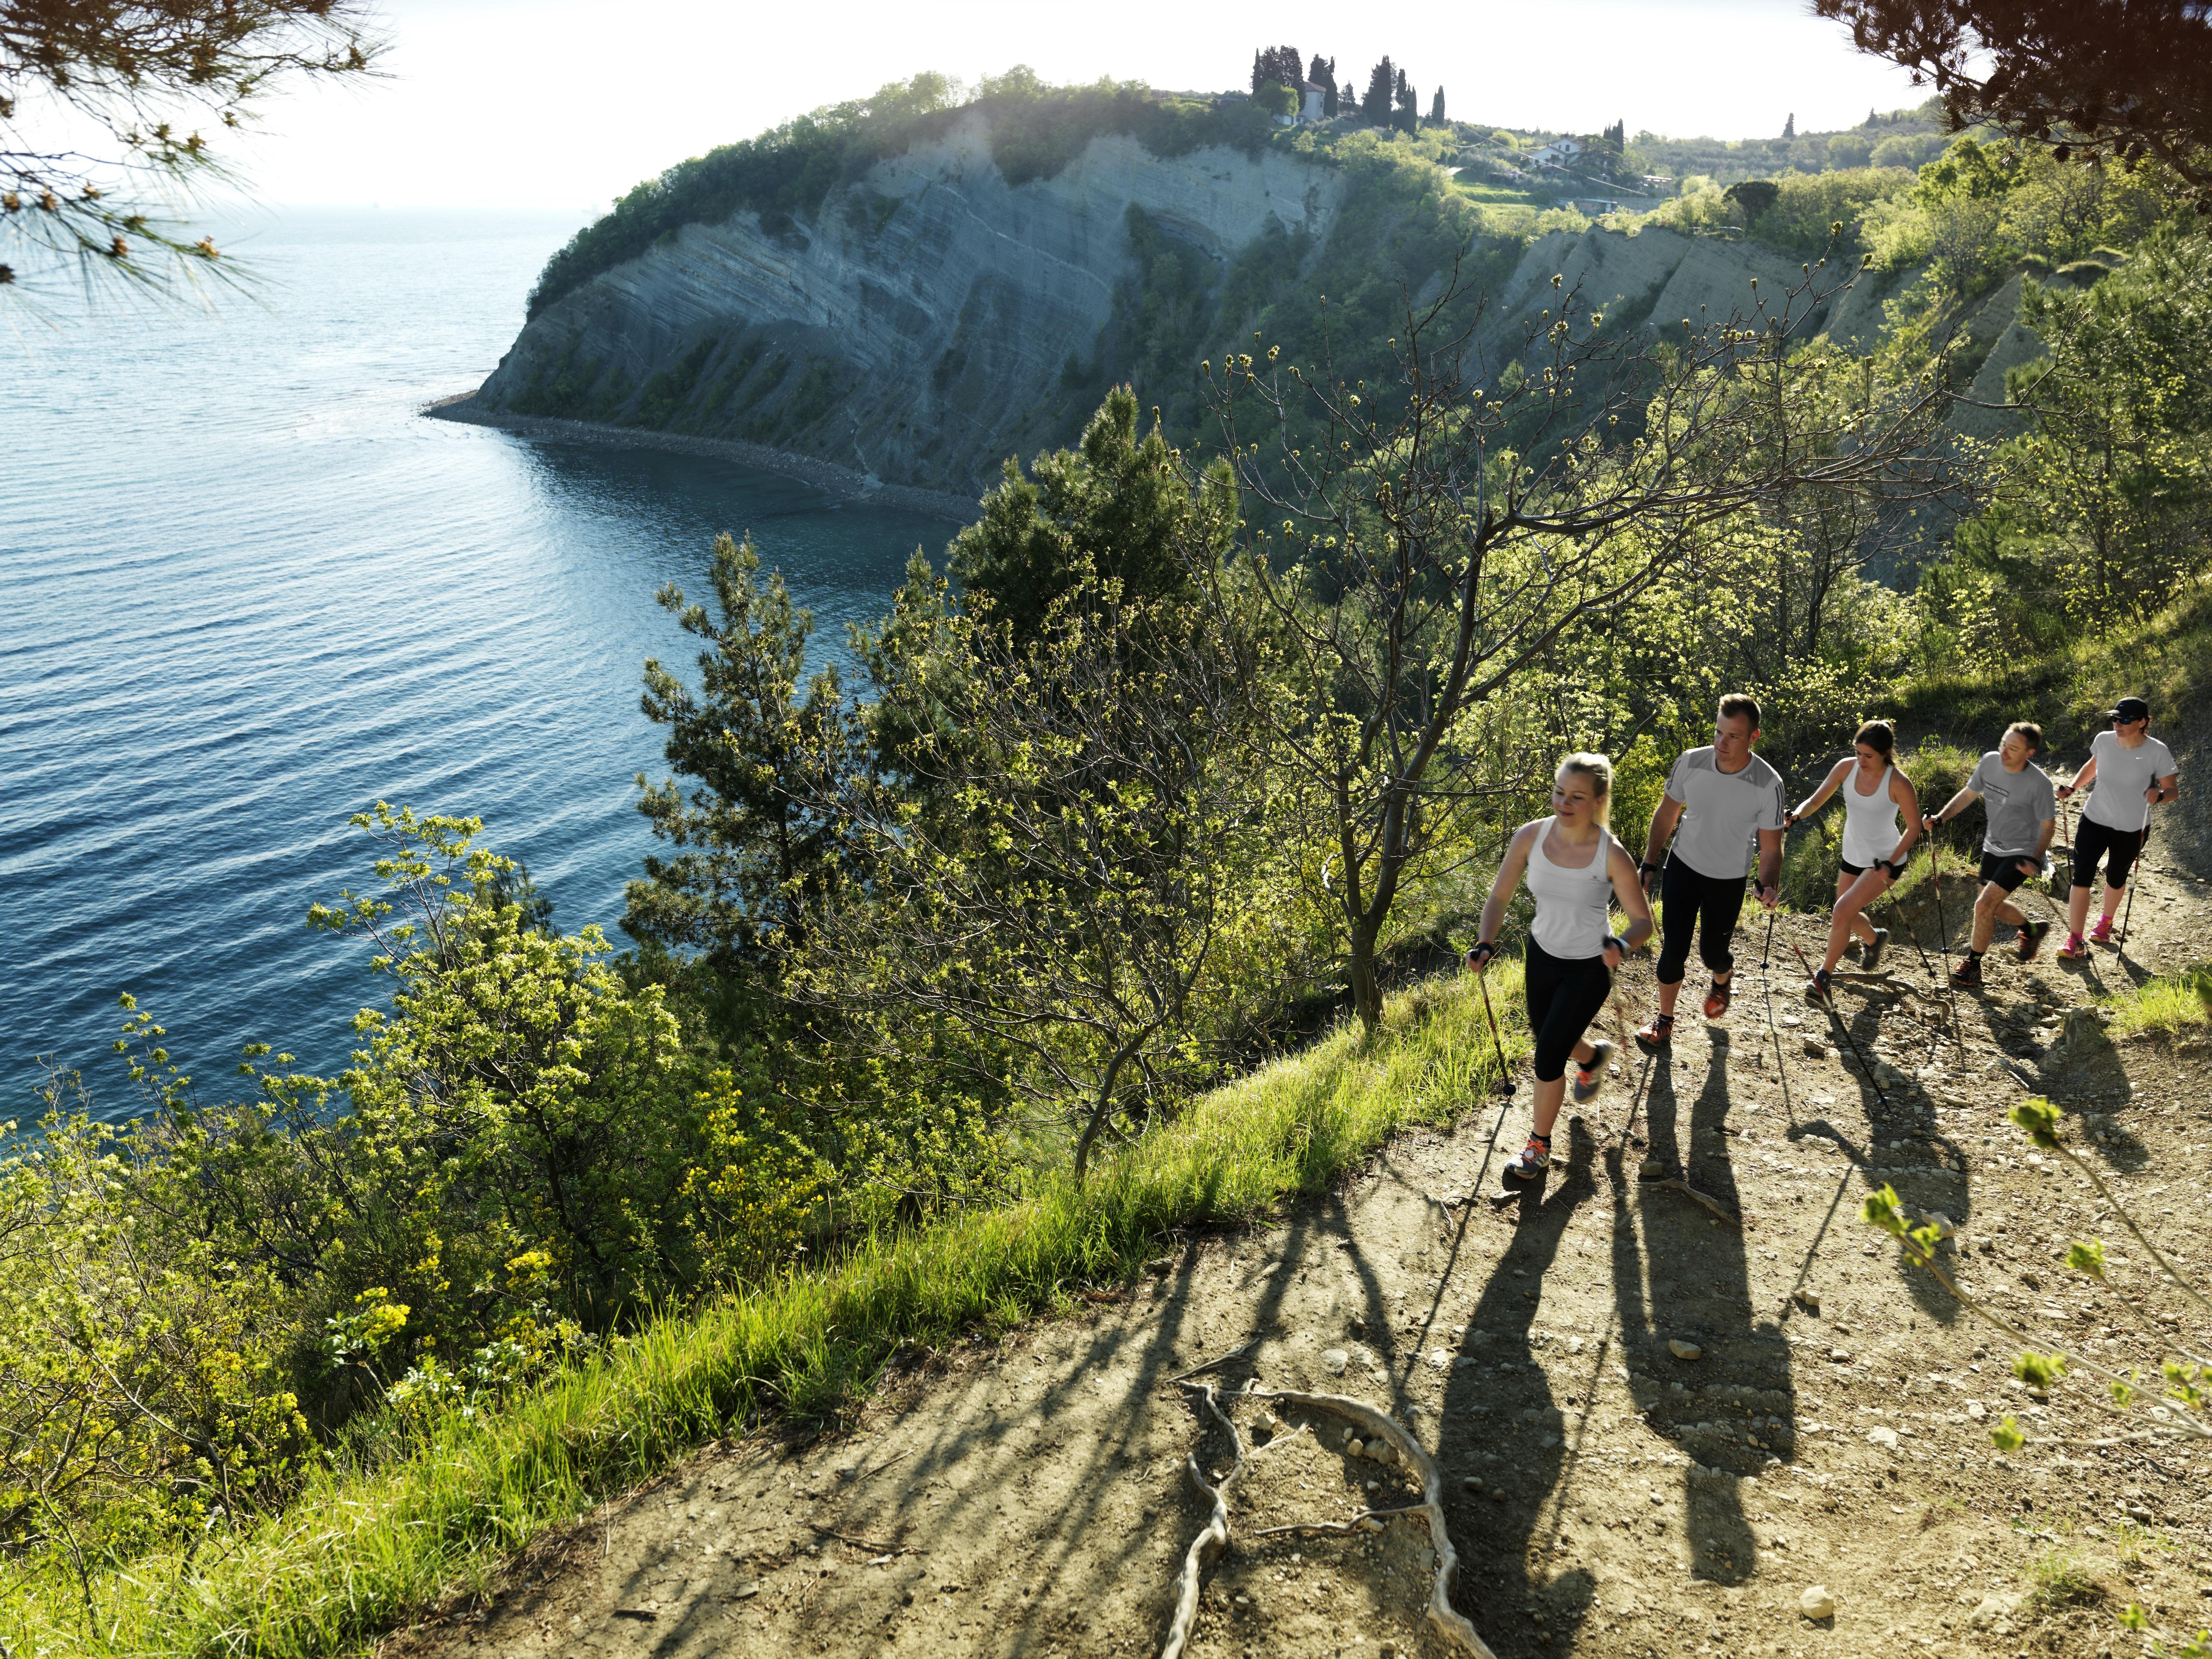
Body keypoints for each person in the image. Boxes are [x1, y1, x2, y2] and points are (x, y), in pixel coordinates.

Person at [1466, 753, 1654, 1181]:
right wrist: (1485, 942)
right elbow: (1499, 896)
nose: (1563, 803)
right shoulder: (1530, 837)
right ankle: (1592, 1057)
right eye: (1558, 793)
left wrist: (1622, 945)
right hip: (1542, 957)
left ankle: (1538, 1148)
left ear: (1597, 801)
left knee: (1547, 1056)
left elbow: (1644, 923)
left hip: (1589, 967)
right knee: (1553, 1038)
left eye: (1576, 797)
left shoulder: (1611, 854)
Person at [1633, 694, 1785, 1046]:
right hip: (1684, 867)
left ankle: (1722, 976)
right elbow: (1667, 813)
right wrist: (1650, 861)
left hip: (1728, 880)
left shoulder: (1768, 784)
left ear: (1753, 737)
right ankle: (1664, 1021)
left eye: (1733, 736)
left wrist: (1768, 884)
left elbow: (1772, 848)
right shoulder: (1691, 762)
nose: (1722, 743)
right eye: (1719, 732)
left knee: (1711, 954)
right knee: (1674, 949)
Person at [1783, 719, 1926, 1001]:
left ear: (1885, 753)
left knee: (1841, 911)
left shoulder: (1898, 782)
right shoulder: (1846, 768)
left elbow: (1914, 828)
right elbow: (1815, 801)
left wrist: (1891, 861)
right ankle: (1875, 939)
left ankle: (1824, 977)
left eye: (1868, 756)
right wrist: (1797, 815)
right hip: (1853, 854)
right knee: (1846, 915)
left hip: (1885, 860)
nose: (1861, 760)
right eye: (1858, 753)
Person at [1927, 721, 2057, 988]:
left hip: (2023, 853)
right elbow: (1969, 794)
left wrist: (2035, 858)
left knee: (1984, 906)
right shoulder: (1989, 762)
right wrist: (1942, 818)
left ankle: (1973, 966)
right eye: (2003, 745)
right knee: (1992, 908)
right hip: (1993, 847)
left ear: (2029, 753)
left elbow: (2048, 825)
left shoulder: (2039, 783)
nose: (2005, 752)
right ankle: (2032, 930)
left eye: (2013, 749)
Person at [2054, 697, 2180, 959]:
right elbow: (2093, 765)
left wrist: (2159, 795)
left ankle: (2105, 923)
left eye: (2124, 720)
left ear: (2143, 722)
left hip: (2132, 827)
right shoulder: (2103, 740)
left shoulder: (2157, 751)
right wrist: (2073, 787)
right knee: (2082, 876)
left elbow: (2173, 792)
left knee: (2115, 876)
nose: (2117, 725)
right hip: (2094, 819)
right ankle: (2075, 939)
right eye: (2115, 719)